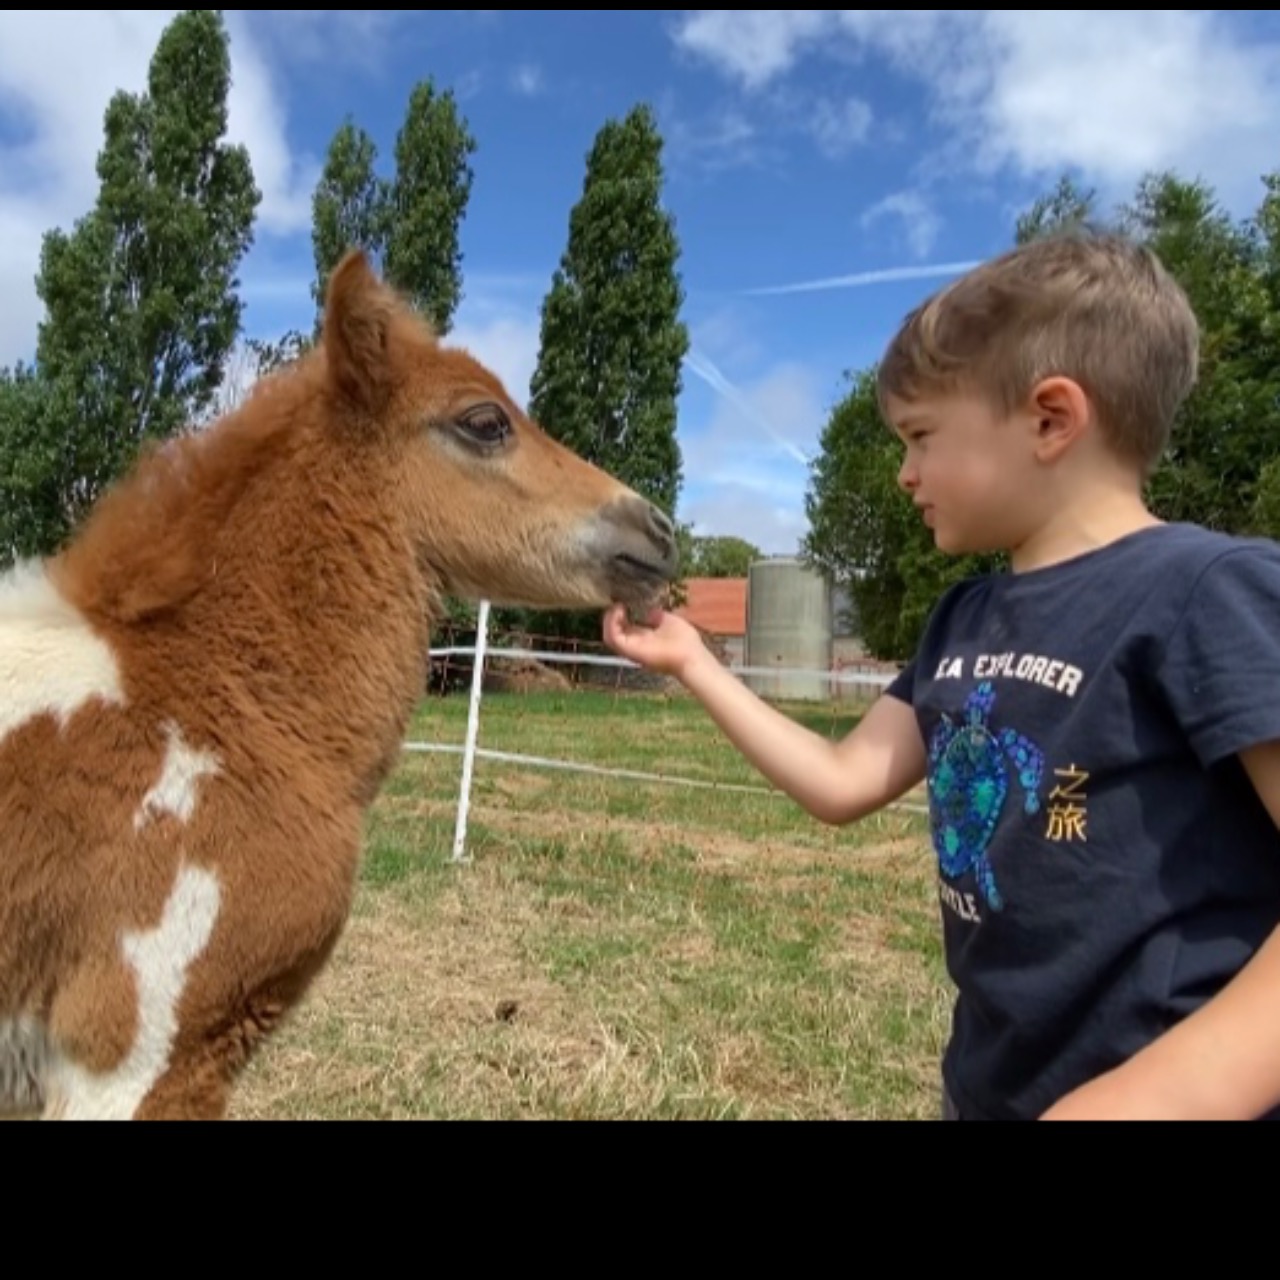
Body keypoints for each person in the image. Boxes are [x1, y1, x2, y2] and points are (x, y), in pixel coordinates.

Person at [603, 230, 1280, 1121]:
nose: (904, 473)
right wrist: (694, 660)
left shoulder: (1207, 592)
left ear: (1051, 419)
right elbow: (843, 782)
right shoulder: (963, 618)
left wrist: (1153, 1100)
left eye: (921, 436)